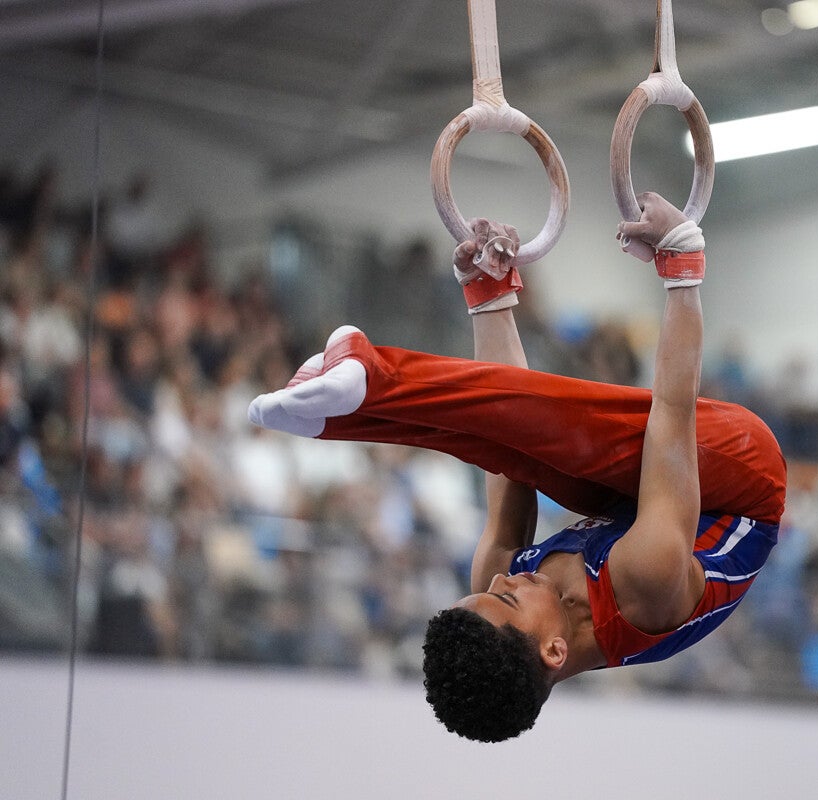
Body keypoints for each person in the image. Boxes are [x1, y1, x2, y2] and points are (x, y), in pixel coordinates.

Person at [247, 193, 787, 742]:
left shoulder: (500, 579)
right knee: (582, 429)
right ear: (555, 650)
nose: (502, 578)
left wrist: (489, 296)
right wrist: (681, 263)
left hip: (628, 499)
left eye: (491, 588)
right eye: (506, 596)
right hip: (742, 479)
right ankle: (372, 382)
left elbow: (505, 437)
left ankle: (337, 416)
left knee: (513, 446)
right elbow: (671, 413)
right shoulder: (644, 587)